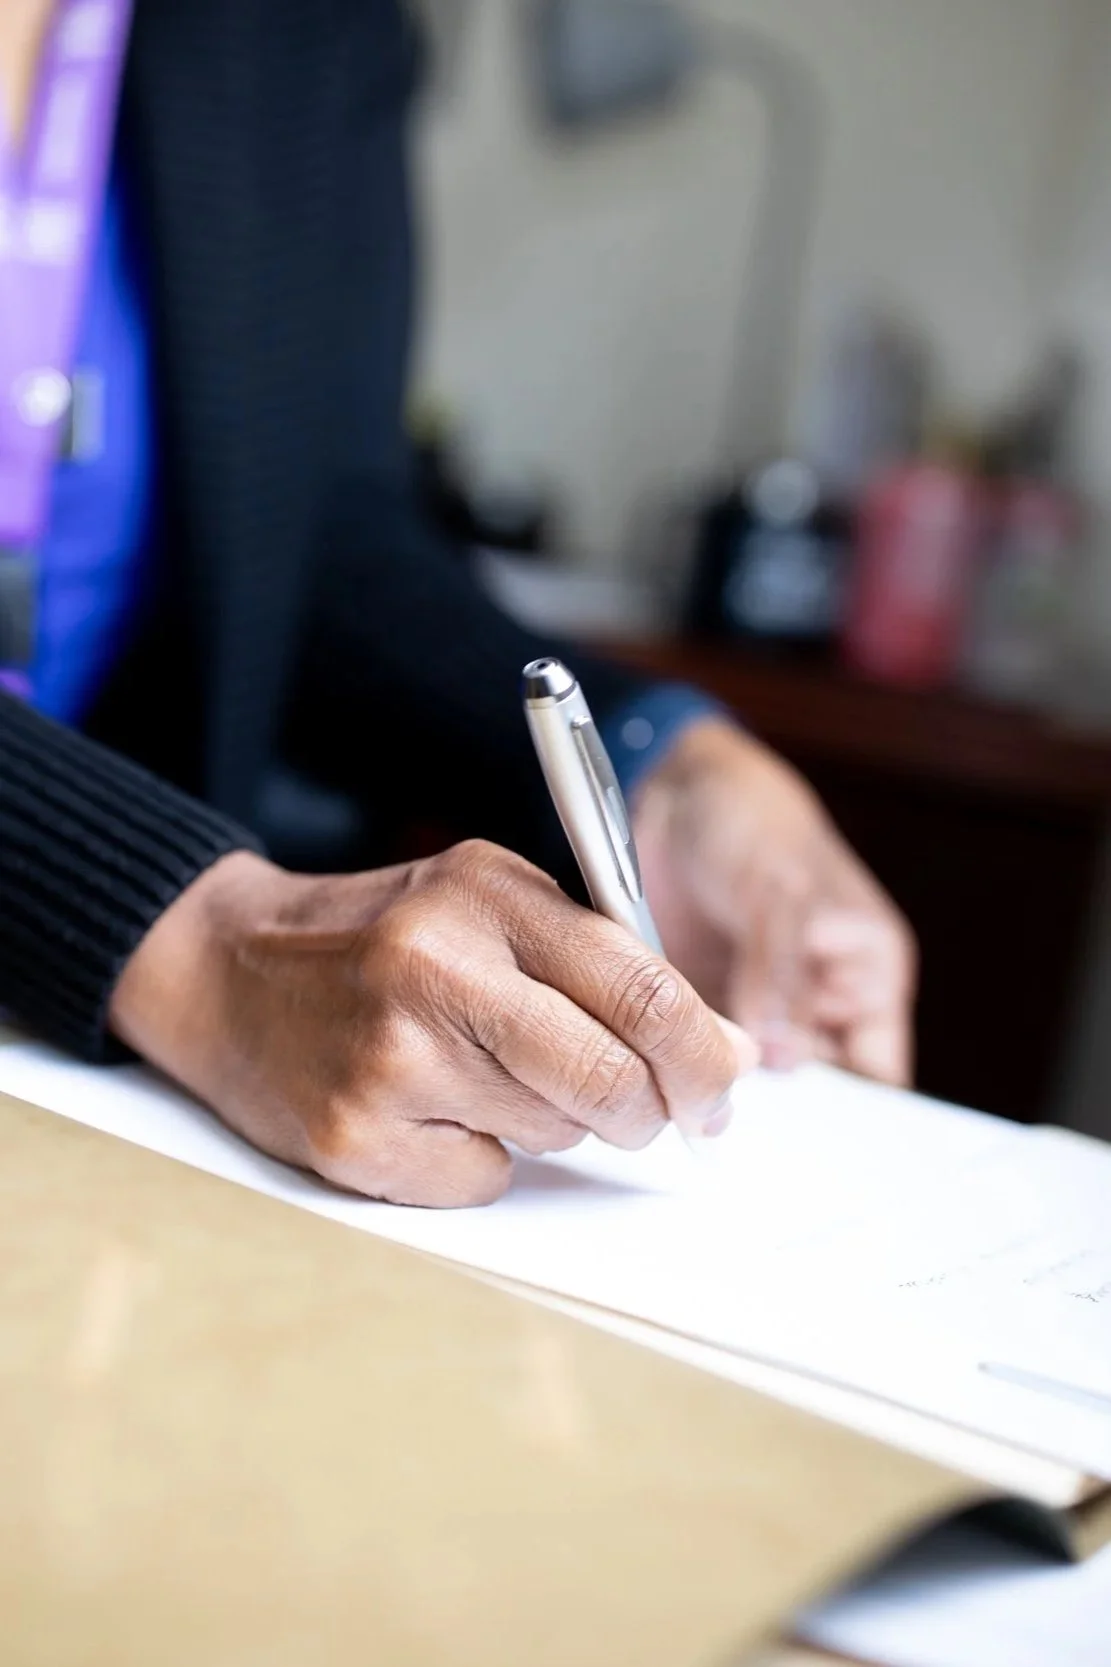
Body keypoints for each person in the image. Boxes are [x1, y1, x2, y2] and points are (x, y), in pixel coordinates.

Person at [0, 0, 914, 1207]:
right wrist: (200, 944)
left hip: (82, 1080)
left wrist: (658, 760)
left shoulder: (309, 31)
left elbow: (313, 525)